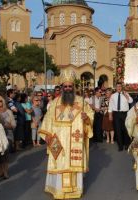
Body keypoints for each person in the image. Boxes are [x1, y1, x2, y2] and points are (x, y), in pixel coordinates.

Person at [38, 69, 93, 199]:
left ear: (73, 87)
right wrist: (47, 134)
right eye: (65, 86)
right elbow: (48, 119)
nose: (68, 88)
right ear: (62, 87)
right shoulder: (54, 102)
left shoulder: (81, 101)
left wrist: (86, 118)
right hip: (58, 139)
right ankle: (58, 190)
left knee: (72, 164)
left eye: (70, 86)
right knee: (60, 163)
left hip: (75, 139)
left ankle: (75, 190)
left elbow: (90, 115)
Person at [0, 95, 15, 179]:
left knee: (4, 154)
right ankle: (0, 171)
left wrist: (3, 124)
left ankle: (5, 172)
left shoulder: (8, 111)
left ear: (2, 101)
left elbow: (13, 125)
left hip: (7, 135)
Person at [109, 82, 133, 151]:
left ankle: (126, 144)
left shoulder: (125, 93)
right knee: (118, 130)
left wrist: (126, 96)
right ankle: (120, 146)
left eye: (120, 86)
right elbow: (110, 106)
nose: (119, 88)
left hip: (125, 114)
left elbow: (131, 101)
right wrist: (110, 115)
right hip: (116, 114)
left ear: (121, 87)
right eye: (117, 86)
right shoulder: (113, 96)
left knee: (125, 130)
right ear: (115, 88)